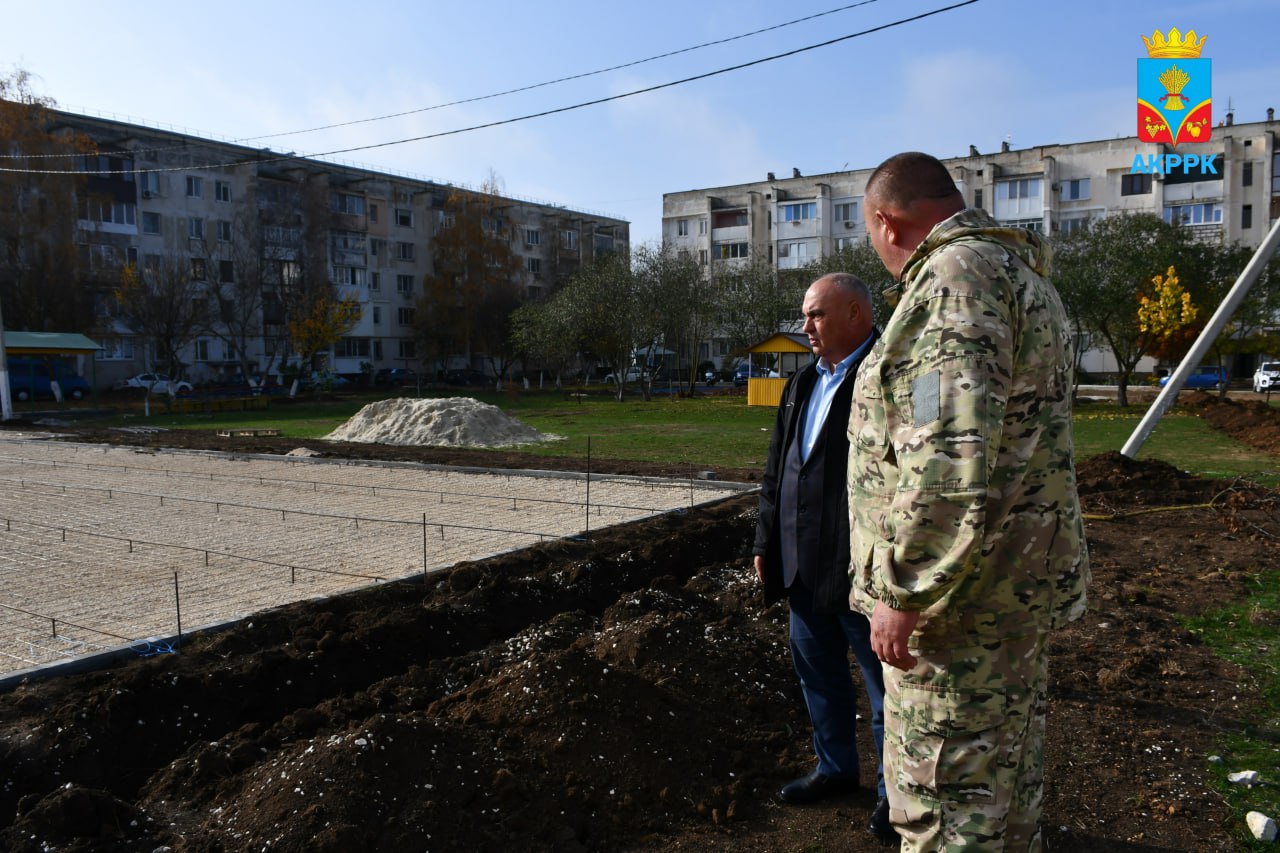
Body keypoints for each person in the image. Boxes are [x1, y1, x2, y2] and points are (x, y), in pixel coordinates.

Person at [847, 151, 1090, 851]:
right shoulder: (1023, 277)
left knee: (946, 813)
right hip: (1010, 593)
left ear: (888, 222)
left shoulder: (953, 280)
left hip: (958, 615)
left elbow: (945, 451)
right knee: (1004, 804)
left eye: (872, 235)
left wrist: (906, 587)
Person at [752, 272, 896, 845]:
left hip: (862, 571)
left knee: (886, 693)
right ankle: (836, 769)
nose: (804, 327)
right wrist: (766, 541)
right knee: (820, 678)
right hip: (801, 567)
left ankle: (894, 796)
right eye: (805, 315)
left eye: (815, 315)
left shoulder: (887, 374)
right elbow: (778, 468)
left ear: (856, 314)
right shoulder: (802, 382)